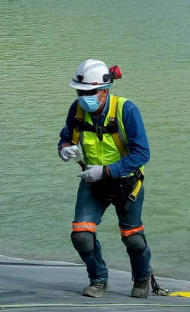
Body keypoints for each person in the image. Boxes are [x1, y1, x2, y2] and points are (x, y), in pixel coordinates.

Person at [58, 59, 152, 299]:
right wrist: (64, 149)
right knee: (81, 235)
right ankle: (98, 279)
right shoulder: (77, 110)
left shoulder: (126, 109)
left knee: (133, 240)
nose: (84, 97)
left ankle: (142, 279)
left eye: (89, 92)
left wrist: (106, 170)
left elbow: (142, 154)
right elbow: (66, 137)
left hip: (127, 184)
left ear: (104, 91)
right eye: (80, 92)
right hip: (92, 183)